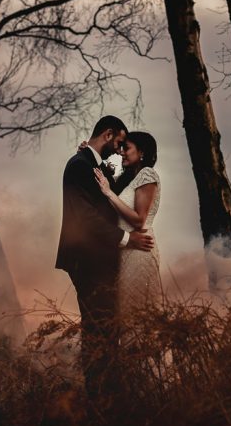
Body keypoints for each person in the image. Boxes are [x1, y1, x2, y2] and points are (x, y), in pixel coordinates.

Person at [55, 116, 154, 407]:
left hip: (100, 259)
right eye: (119, 142)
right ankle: (102, 400)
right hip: (89, 260)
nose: (121, 149)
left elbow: (111, 197)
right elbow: (86, 219)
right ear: (108, 134)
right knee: (99, 330)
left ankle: (109, 395)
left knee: (106, 328)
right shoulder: (79, 165)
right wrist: (127, 240)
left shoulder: (90, 164)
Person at [93, 131, 161, 321]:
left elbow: (139, 220)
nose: (122, 152)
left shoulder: (148, 174)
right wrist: (90, 153)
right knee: (127, 312)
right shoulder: (128, 179)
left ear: (141, 152)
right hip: (126, 250)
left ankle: (145, 351)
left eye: (127, 148)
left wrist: (109, 193)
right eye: (121, 148)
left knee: (140, 312)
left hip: (141, 250)